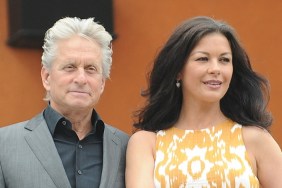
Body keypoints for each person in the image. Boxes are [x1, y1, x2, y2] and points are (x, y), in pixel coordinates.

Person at [126, 16, 282, 187]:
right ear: (178, 70)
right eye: (202, 59)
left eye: (224, 60)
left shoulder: (256, 139)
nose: (215, 69)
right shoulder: (147, 143)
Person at [0, 17, 129, 188]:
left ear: (102, 83)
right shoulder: (4, 144)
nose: (81, 78)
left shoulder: (127, 148)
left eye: (91, 69)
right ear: (46, 77)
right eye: (70, 67)